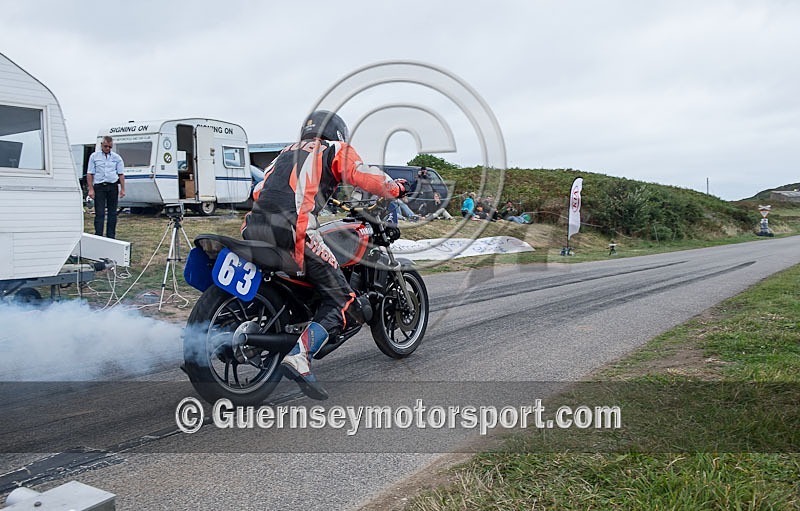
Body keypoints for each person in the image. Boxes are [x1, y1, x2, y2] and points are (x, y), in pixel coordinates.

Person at [242, 110, 409, 400]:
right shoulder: (333, 149)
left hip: (253, 229)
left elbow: (259, 191)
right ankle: (300, 356)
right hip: (295, 231)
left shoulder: (284, 154)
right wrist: (395, 188)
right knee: (344, 301)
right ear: (337, 132)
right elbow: (364, 175)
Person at [86, 136, 125, 238]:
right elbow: (90, 173)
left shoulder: (116, 158)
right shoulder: (94, 157)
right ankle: (98, 235)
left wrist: (123, 189)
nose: (107, 149)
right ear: (101, 145)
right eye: (106, 146)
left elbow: (121, 174)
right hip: (99, 187)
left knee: (112, 213)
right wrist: (90, 189)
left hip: (112, 186)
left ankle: (111, 236)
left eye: (110, 147)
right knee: (100, 213)